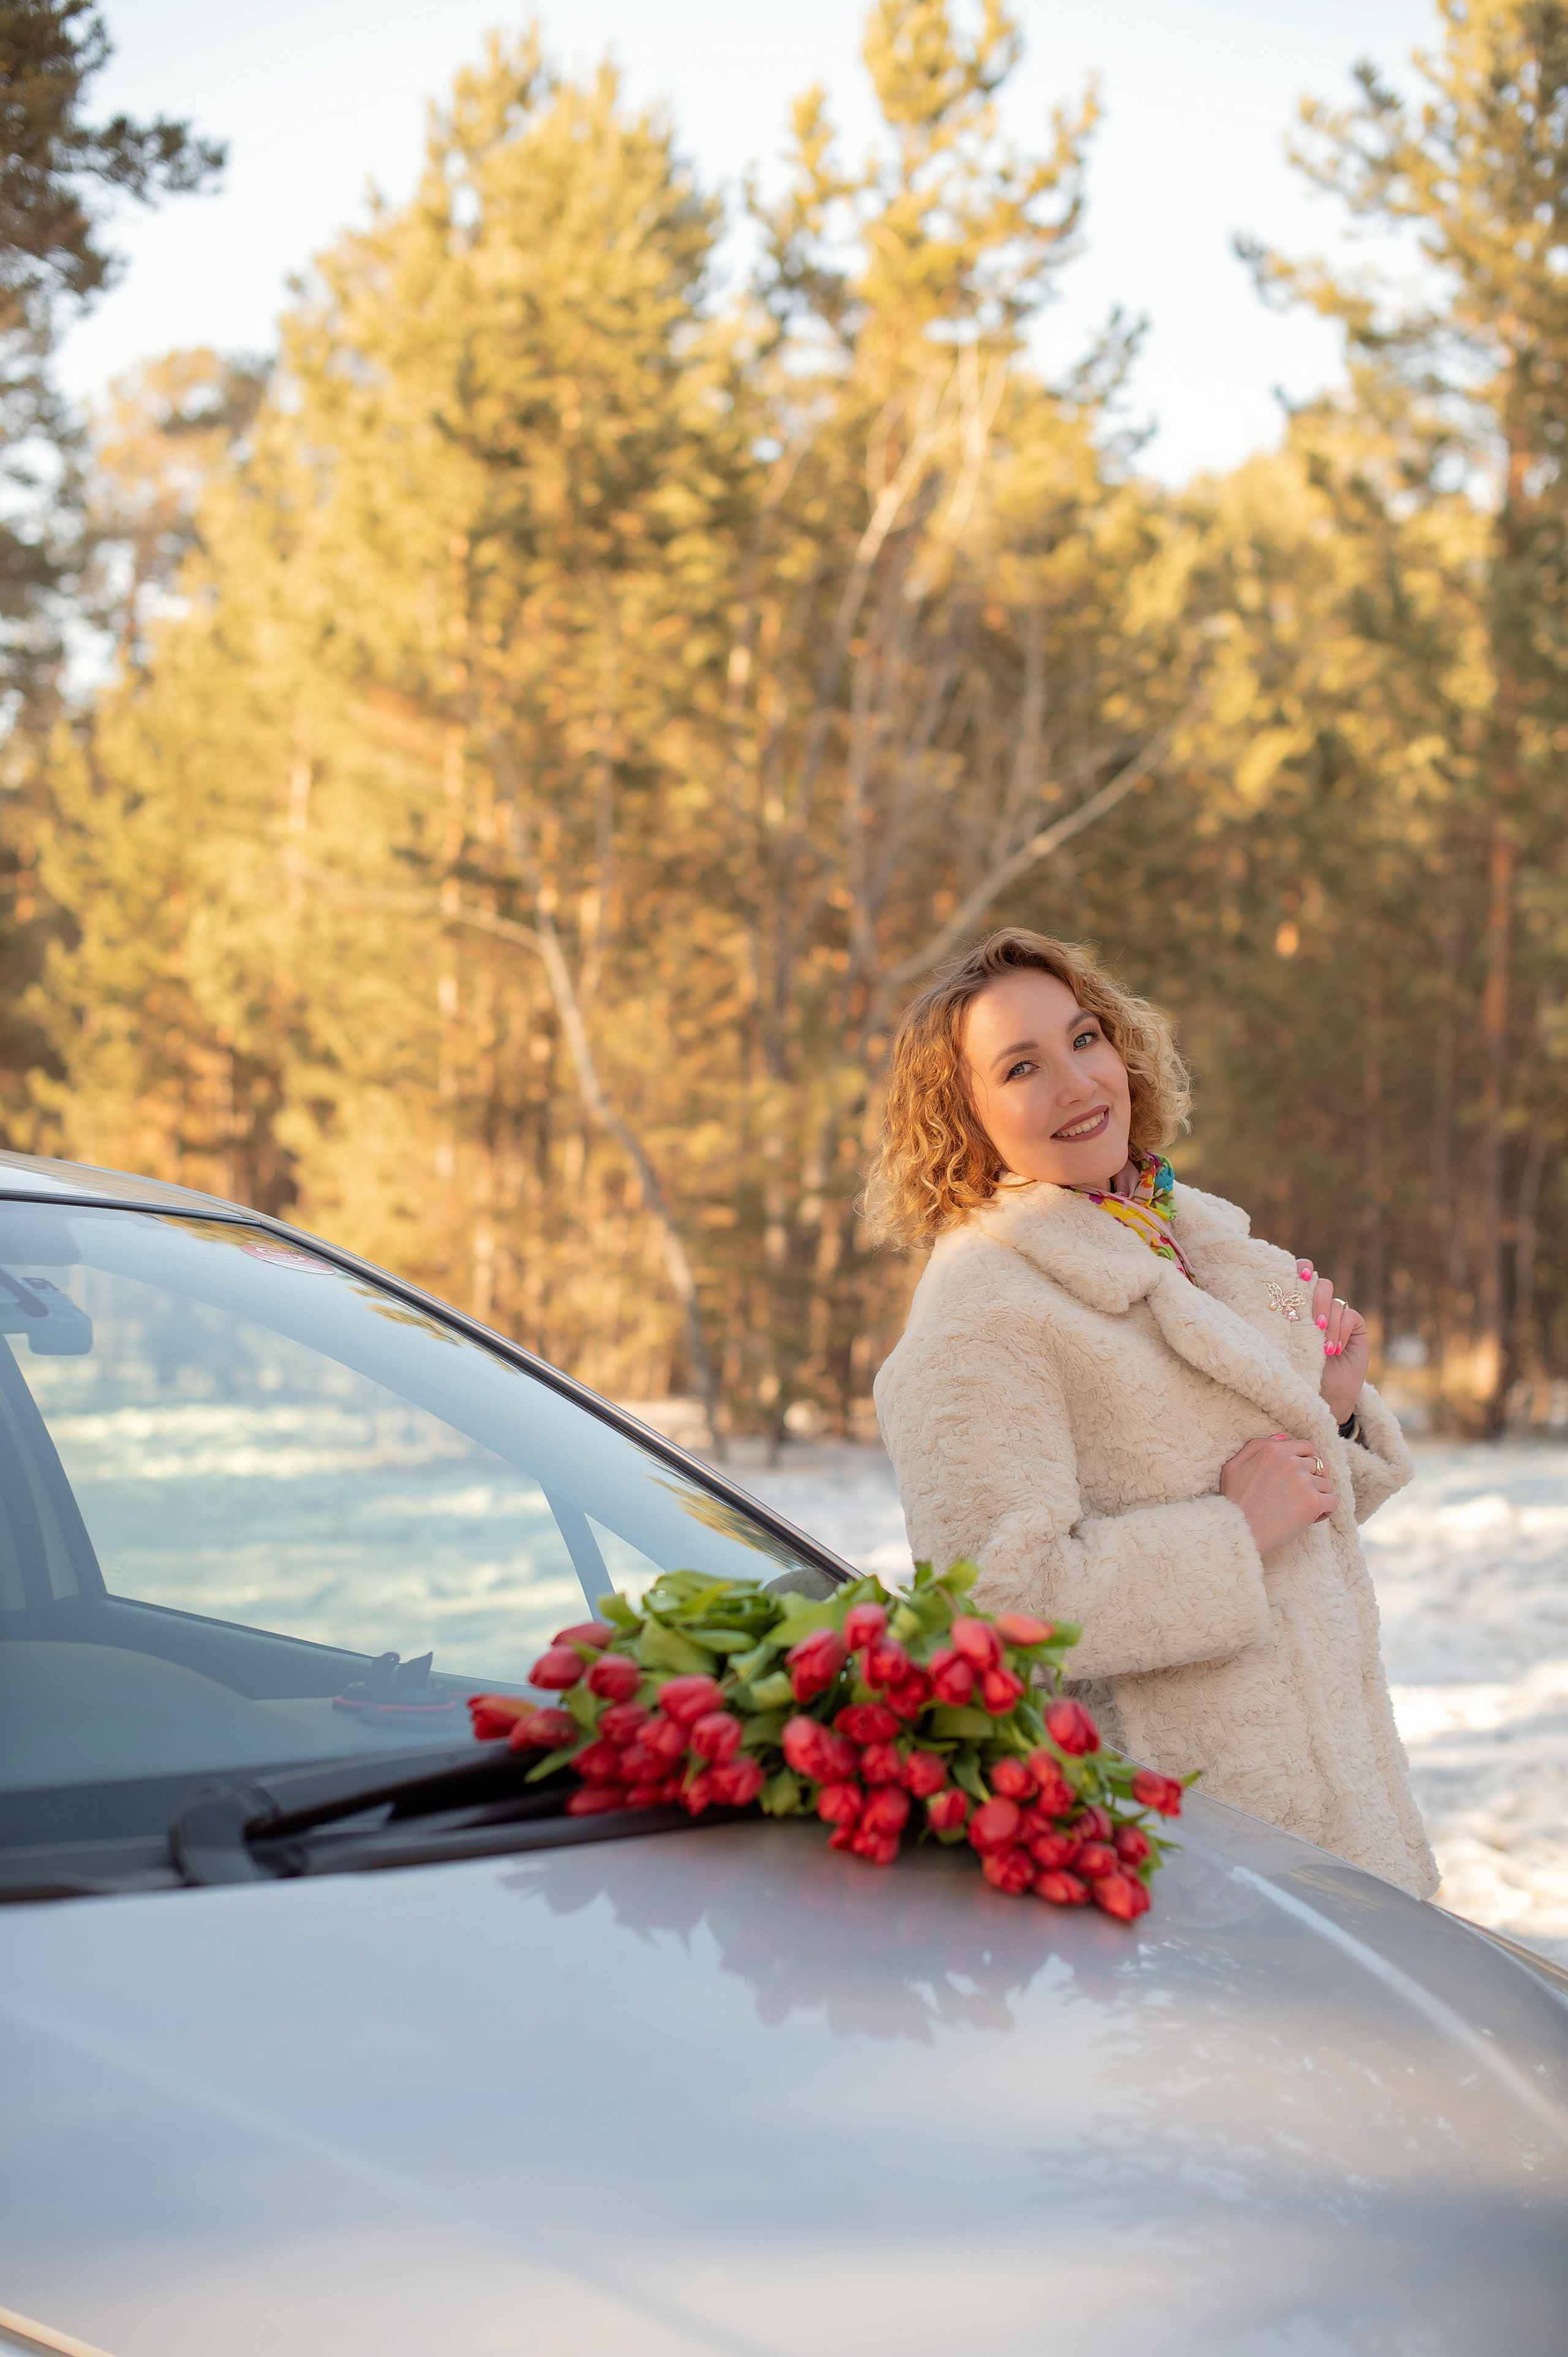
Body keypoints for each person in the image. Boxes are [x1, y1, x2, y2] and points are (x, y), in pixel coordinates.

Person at [867, 926, 1436, 1897]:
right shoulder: (980, 1308)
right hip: (1187, 1869)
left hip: (1348, 1825)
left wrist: (1330, 1418)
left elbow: (1291, 1532)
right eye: (1021, 1068)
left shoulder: (1184, 1237)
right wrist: (1230, 1533)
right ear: (962, 1119)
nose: (1078, 1084)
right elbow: (990, 1615)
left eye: (1085, 1039)